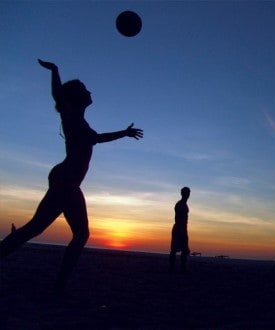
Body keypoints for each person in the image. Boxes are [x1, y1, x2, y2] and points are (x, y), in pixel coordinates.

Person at [0, 59, 143, 293]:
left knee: (45, 229)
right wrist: (55, 71)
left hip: (67, 181)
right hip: (65, 180)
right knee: (66, 232)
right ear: (76, 96)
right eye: (85, 88)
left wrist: (124, 133)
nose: (90, 91)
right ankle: (60, 283)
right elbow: (59, 96)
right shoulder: (71, 115)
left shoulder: (80, 120)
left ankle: (59, 281)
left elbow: (96, 138)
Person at [169, 187, 191, 272]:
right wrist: (182, 231)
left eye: (188, 193)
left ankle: (182, 268)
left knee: (184, 249)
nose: (188, 195)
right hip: (179, 228)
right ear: (182, 194)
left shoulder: (183, 204)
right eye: (186, 193)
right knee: (175, 249)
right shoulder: (180, 204)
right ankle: (172, 268)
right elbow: (179, 219)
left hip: (182, 227)